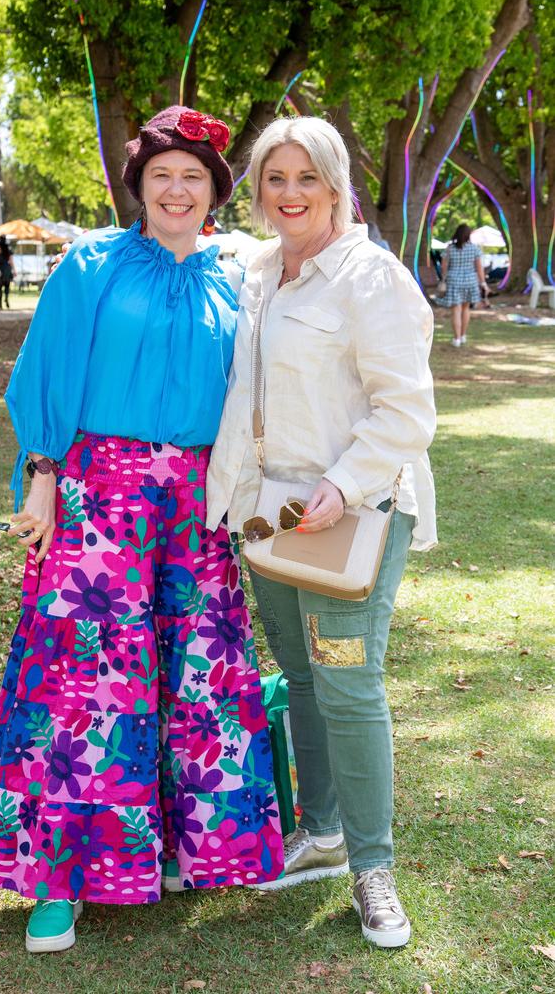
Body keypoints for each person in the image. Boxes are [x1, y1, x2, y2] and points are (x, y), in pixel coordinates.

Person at [0, 105, 284, 954]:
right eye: (161, 177)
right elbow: (49, 369)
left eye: (192, 177)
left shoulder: (235, 280)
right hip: (96, 495)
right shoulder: (92, 264)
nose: (176, 190)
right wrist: (40, 478)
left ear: (214, 191)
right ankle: (59, 881)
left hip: (197, 501)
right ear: (139, 187)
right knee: (85, 681)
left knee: (199, 677)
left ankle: (186, 852)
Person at [206, 116, 437, 949]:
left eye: (308, 178)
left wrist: (343, 485)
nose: (291, 194)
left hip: (351, 515)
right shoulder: (260, 273)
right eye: (275, 178)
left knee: (347, 683)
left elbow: (406, 410)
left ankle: (372, 869)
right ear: (259, 190)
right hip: (269, 518)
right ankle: (325, 832)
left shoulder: (367, 278)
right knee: (301, 677)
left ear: (337, 184)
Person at [440, 223, 489, 346]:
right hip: (470, 280)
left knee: (456, 310)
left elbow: (444, 266)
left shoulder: (450, 248)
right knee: (466, 308)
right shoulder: (474, 249)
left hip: (453, 280)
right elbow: (479, 268)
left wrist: (443, 278)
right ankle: (463, 336)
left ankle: (456, 339)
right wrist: (483, 282)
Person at [0, 235, 15, 308]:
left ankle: (0, 304)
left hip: (0, 269)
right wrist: (14, 270)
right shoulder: (8, 249)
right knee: (7, 286)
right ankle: (6, 298)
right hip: (7, 269)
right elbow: (11, 261)